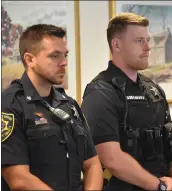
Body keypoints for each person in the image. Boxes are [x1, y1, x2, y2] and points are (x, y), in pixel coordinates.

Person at [81, 13, 172, 191]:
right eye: (139, 41)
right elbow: (111, 158)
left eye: (148, 40)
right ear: (116, 44)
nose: (148, 47)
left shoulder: (153, 89)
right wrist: (160, 186)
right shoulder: (101, 92)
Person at [1, 24, 103, 191]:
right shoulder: (9, 105)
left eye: (65, 55)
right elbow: (18, 178)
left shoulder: (69, 105)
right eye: (54, 56)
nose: (63, 63)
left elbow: (92, 164)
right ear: (30, 59)